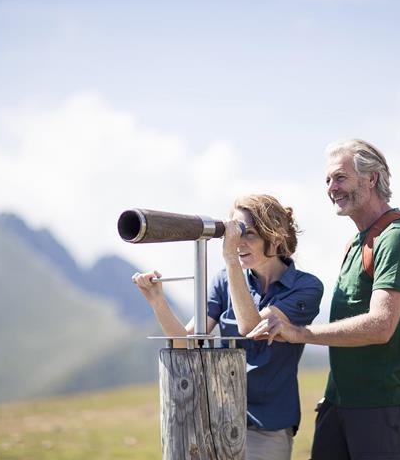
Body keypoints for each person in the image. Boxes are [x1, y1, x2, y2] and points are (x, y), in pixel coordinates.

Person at [247, 139, 400, 460]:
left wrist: (299, 333)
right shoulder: (356, 243)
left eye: (340, 177)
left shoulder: (398, 237)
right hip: (340, 403)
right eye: (328, 181)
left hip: (383, 405)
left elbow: (380, 326)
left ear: (372, 178)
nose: (331, 188)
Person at [133, 194, 323, 460]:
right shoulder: (224, 280)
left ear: (277, 237)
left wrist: (231, 260)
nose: (238, 244)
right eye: (234, 234)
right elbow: (186, 343)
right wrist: (157, 301)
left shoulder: (306, 287)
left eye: (250, 235)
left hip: (267, 425)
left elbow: (252, 327)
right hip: (216, 415)